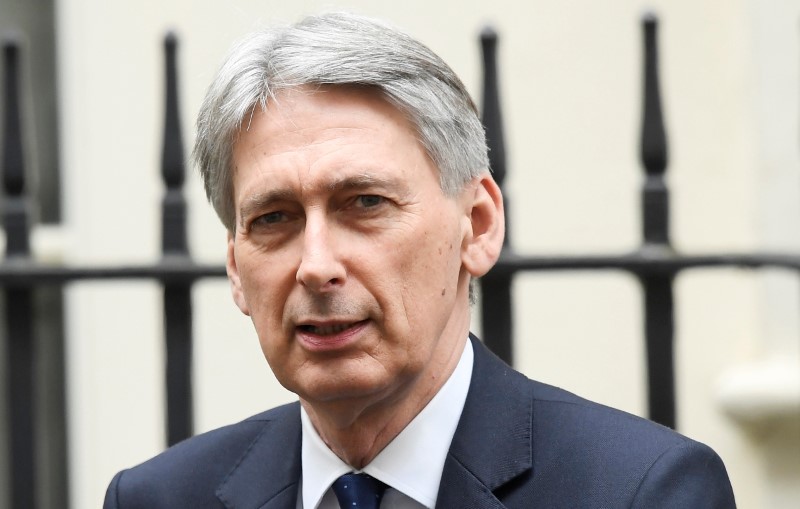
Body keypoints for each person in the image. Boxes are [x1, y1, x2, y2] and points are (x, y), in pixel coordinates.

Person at [104, 12, 736, 509]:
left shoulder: (640, 491)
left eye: (365, 203)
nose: (316, 265)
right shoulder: (157, 499)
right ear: (236, 268)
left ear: (478, 226)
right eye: (274, 219)